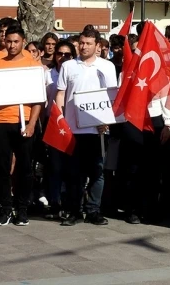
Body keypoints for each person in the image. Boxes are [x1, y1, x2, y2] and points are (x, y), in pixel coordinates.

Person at [55, 28, 117, 226]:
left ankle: (93, 211)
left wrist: (106, 121)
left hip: (98, 130)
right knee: (74, 173)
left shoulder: (106, 67)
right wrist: (60, 119)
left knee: (97, 172)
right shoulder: (68, 66)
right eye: (81, 42)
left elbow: (111, 97)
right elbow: (61, 94)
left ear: (97, 46)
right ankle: (74, 211)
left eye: (88, 43)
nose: (83, 46)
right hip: (73, 129)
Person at [0, 26, 44, 226]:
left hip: (23, 122)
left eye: (16, 41)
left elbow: (38, 100)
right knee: (1, 168)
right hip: (0, 121)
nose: (11, 45)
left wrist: (32, 124)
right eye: (8, 41)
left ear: (23, 42)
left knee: (25, 169)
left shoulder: (32, 64)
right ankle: (6, 209)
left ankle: (22, 209)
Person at [44, 39, 76, 220]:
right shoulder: (48, 75)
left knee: (71, 167)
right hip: (53, 123)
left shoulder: (75, 72)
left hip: (73, 124)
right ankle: (54, 202)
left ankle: (70, 202)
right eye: (60, 54)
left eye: (67, 54)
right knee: (54, 167)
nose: (63, 57)